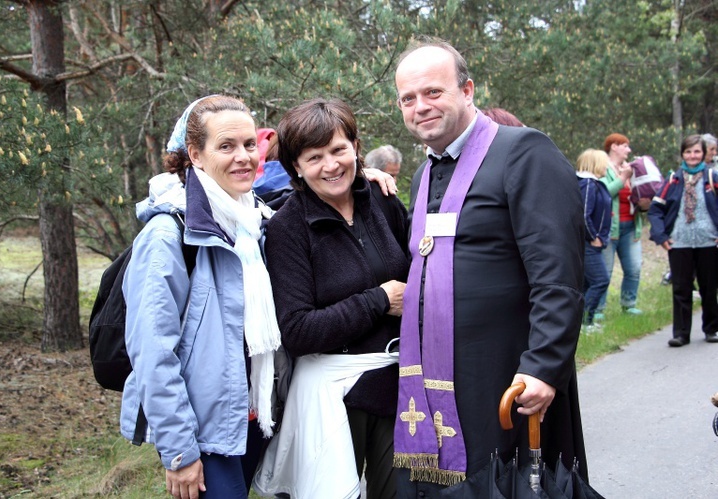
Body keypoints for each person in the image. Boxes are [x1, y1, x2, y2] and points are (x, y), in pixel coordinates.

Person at [392, 36, 587, 494]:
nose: (420, 106)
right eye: (408, 98)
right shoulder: (422, 173)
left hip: (505, 375)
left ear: (468, 90)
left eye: (433, 92)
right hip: (433, 378)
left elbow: (557, 274)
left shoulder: (524, 152)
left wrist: (543, 365)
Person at [119, 95, 282, 499]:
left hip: (249, 417)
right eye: (226, 146)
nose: (244, 157)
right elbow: (152, 351)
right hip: (203, 432)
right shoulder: (168, 234)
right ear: (196, 154)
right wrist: (179, 452)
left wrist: (364, 176)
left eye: (248, 144)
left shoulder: (253, 219)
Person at [255, 98, 409, 498]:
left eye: (339, 150)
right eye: (314, 157)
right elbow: (297, 330)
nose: (331, 165)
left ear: (356, 147)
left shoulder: (382, 201)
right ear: (296, 168)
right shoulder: (289, 228)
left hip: (397, 386)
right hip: (333, 395)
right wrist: (378, 300)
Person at [648, 134, 718, 347]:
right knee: (681, 288)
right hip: (679, 242)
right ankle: (681, 334)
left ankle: (711, 329)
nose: (692, 156)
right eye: (688, 151)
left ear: (704, 153)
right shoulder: (673, 180)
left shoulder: (712, 177)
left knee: (709, 287)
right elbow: (655, 209)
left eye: (697, 151)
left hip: (708, 241)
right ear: (682, 154)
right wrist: (661, 236)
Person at [597, 133, 646, 317]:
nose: (629, 150)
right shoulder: (602, 167)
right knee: (605, 271)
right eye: (625, 146)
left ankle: (629, 304)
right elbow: (603, 194)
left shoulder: (630, 169)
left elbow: (637, 197)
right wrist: (622, 177)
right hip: (609, 229)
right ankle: (598, 309)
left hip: (631, 227)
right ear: (613, 146)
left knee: (634, 268)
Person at [576, 149, 613, 333]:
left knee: (587, 284)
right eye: (605, 162)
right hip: (588, 244)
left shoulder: (594, 183)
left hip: (591, 244)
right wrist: (594, 237)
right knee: (600, 280)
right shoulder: (588, 184)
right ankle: (585, 322)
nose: (608, 166)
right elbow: (583, 214)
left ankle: (583, 322)